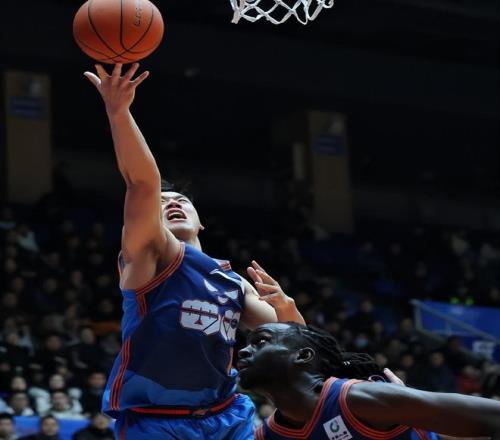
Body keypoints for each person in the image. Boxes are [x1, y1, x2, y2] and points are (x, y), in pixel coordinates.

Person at [84, 63, 304, 439]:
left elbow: (296, 344)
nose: (173, 202)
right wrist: (118, 113)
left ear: (200, 222)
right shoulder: (151, 255)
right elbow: (142, 183)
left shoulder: (233, 282)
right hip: (156, 418)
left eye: (182, 200)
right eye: (162, 203)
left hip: (226, 414)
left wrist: (286, 307)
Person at [237, 322, 500, 439]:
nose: (244, 351)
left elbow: (495, 417)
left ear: (303, 356)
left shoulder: (357, 399)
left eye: (261, 342)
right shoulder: (267, 435)